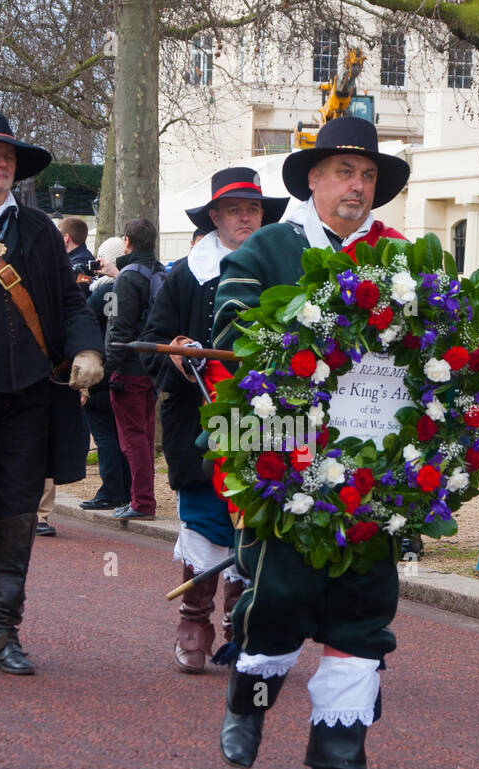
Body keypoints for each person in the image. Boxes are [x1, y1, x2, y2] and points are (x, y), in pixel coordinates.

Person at [210, 116, 410, 769]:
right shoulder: (266, 250)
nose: (357, 186)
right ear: (314, 180)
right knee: (279, 597)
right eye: (344, 173)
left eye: (368, 176)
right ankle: (249, 697)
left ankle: (339, 752)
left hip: (373, 469)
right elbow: (231, 345)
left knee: (364, 606)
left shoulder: (401, 260)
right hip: (283, 457)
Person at [0, 113, 104, 675]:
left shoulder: (39, 232)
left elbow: (73, 304)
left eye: (6, 156)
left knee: (16, 515)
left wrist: (88, 349)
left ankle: (1, 630)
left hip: (31, 396)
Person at [142, 167, 287, 673]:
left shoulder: (283, 271)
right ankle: (194, 621)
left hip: (269, 421)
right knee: (205, 515)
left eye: (253, 208)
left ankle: (240, 628)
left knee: (256, 516)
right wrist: (177, 352)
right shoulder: (185, 273)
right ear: (215, 218)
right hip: (197, 421)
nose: (245, 217)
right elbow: (151, 342)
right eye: (233, 209)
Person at [104, 217, 161, 520]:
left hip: (128, 368)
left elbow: (118, 328)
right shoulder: (160, 271)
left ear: (127, 240)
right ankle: (145, 498)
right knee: (146, 436)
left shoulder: (126, 278)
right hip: (153, 367)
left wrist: (107, 370)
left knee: (132, 438)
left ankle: (142, 502)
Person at [78, 235, 132, 510]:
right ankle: (126, 489)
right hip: (130, 371)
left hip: (103, 369)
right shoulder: (133, 286)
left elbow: (85, 322)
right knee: (124, 436)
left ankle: (112, 490)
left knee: (105, 436)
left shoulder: (103, 293)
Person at [58, 216, 94, 296]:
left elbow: (80, 293)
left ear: (66, 238)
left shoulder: (81, 262)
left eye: (58, 235)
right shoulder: (82, 258)